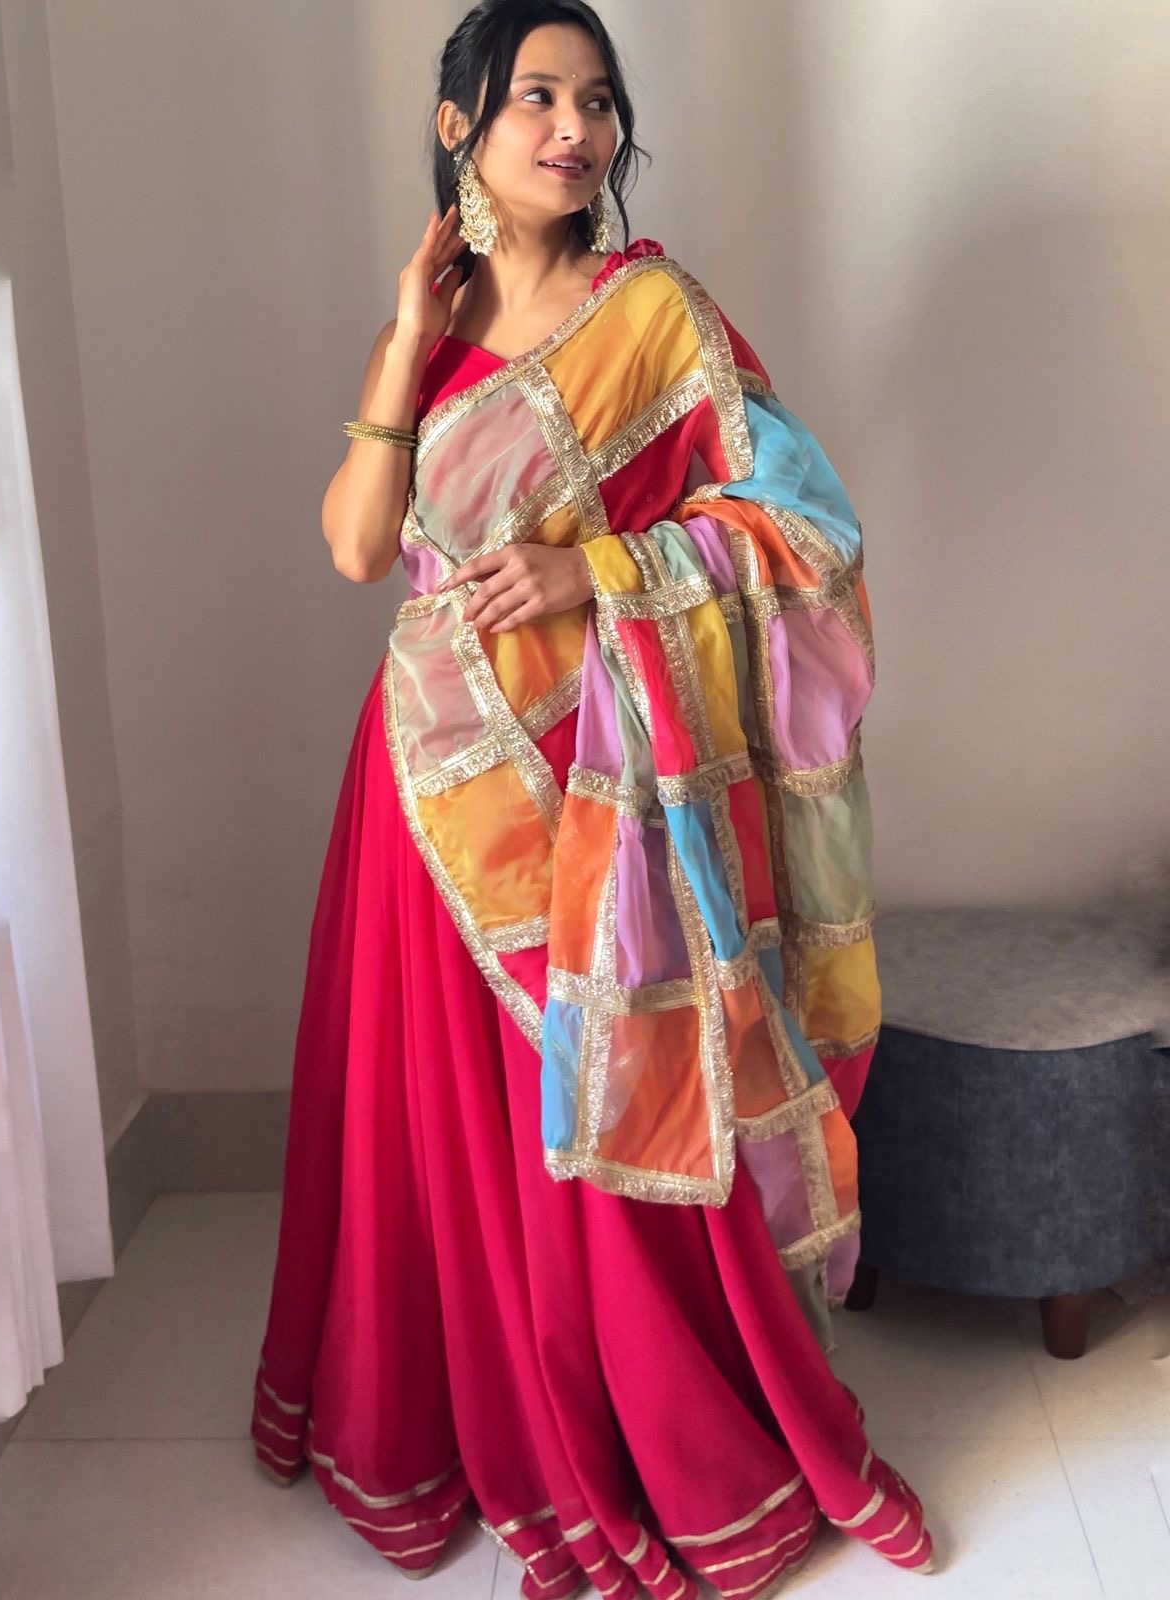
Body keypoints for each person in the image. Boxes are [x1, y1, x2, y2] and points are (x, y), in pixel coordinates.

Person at [250, 3, 936, 1595]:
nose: (576, 130)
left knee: (608, 1110)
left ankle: (636, 1428)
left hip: (600, 793)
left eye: (599, 101)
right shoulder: (429, 328)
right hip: (429, 789)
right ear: (460, 126)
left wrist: (596, 568)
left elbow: (804, 530)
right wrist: (403, 337)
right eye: (537, 98)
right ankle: (448, 1416)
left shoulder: (655, 315)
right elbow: (359, 549)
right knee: (446, 1133)